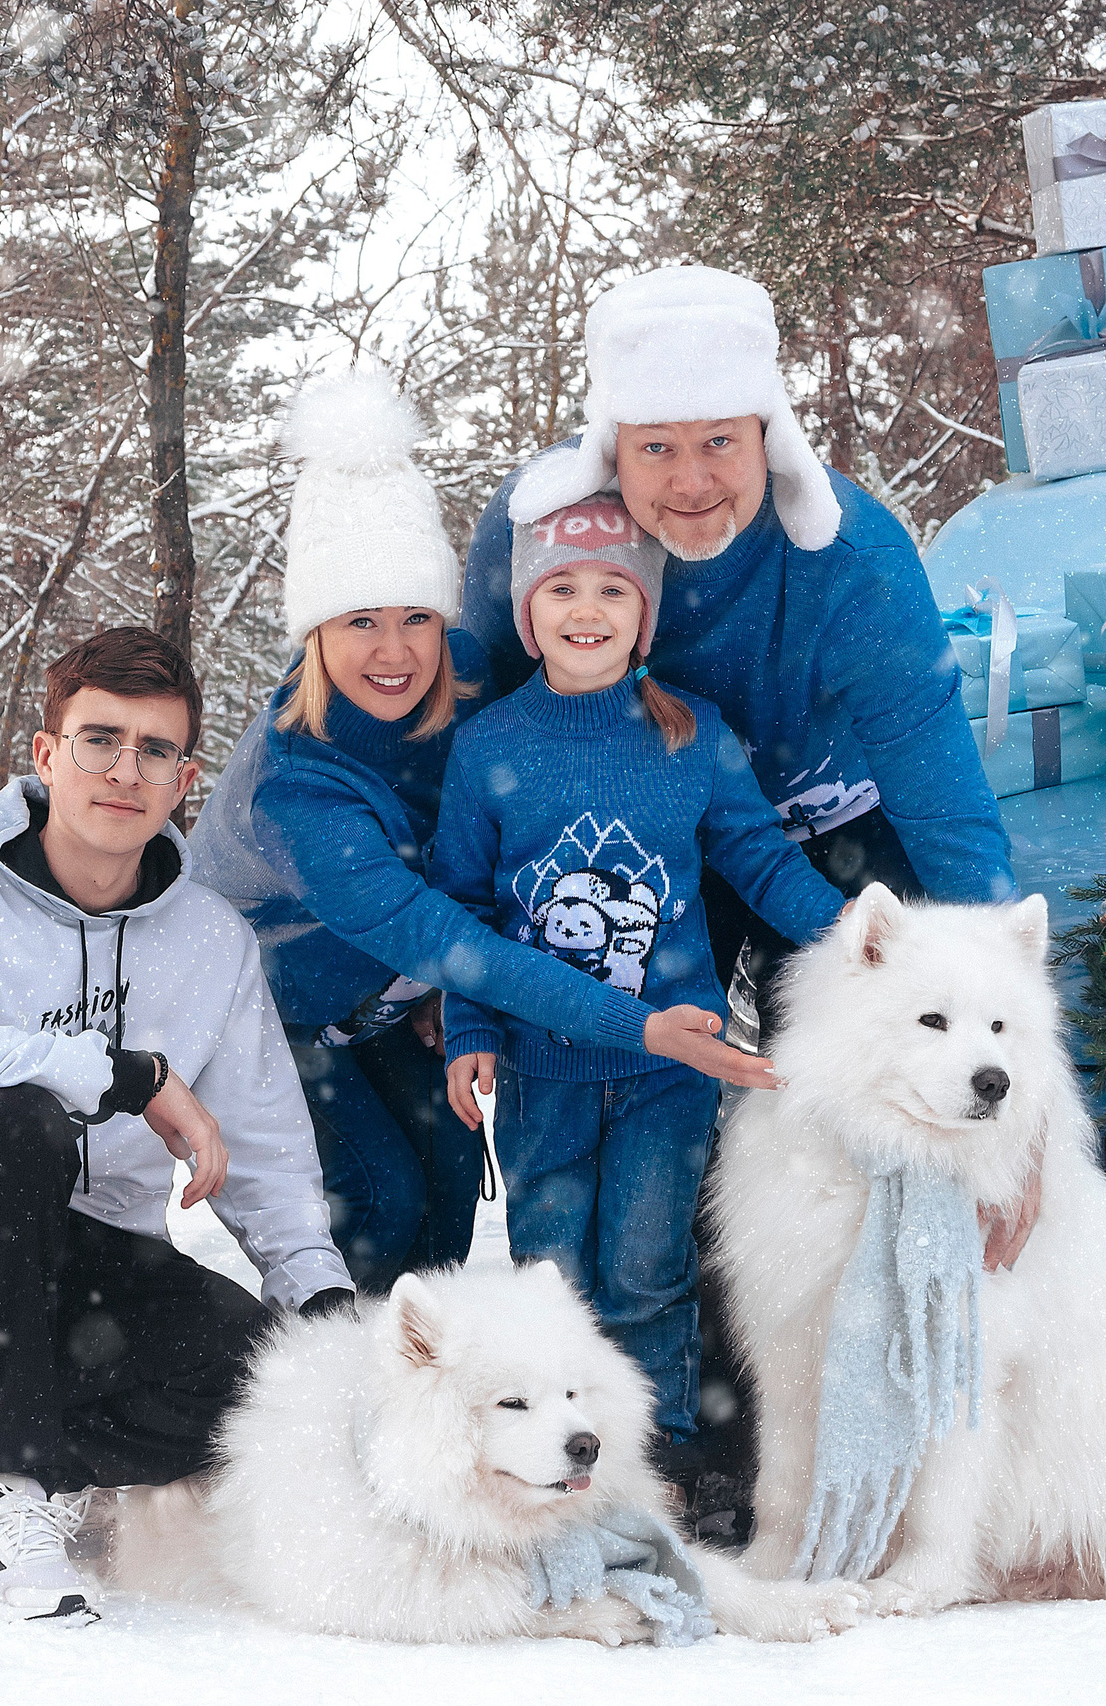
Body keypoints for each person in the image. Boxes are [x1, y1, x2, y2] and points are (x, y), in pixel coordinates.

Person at [460, 265, 1037, 1503]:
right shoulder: (545, 539)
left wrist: (1013, 1064)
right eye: (655, 446)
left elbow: (943, 795)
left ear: (765, 432)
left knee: (840, 1091)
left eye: (717, 441)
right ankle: (639, 1424)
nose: (690, 480)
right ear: (611, 445)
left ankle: (845, 1405)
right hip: (636, 829)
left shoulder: (851, 556)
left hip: (824, 841)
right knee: (634, 1103)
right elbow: (473, 726)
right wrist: (446, 958)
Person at [189, 372, 778, 1294]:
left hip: (388, 992)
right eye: (359, 621)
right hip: (269, 1010)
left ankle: (430, 1364)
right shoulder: (296, 790)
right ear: (315, 634)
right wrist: (642, 1027)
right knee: (379, 1204)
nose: (395, 652)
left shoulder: (464, 678)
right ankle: (330, 1367)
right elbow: (448, 937)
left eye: (416, 618)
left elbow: (566, 686)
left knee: (452, 1182)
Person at [0, 626, 349, 1627]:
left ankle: (56, 1468)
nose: (124, 770)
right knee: (21, 1116)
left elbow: (269, 1154)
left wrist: (322, 1310)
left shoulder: (211, 939)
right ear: (46, 753)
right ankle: (7, 1497)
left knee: (267, 1384)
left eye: (155, 750)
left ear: (184, 778)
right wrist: (127, 1076)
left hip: (88, 1279)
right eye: (99, 739)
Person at [428, 493, 850, 1487]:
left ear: (644, 614)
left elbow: (761, 861)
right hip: (540, 1070)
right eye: (561, 588)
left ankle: (661, 1471)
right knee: (554, 1280)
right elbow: (464, 909)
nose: (587, 608)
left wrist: (862, 934)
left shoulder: (692, 734)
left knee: (646, 1269)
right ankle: (568, 1477)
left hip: (671, 1071)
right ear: (528, 613)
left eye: (613, 588)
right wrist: (468, 1029)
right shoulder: (489, 746)